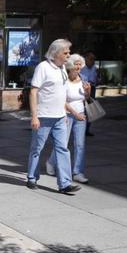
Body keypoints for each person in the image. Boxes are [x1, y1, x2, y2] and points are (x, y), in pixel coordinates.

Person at [26, 39, 80, 194]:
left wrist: (64, 113)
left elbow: (61, 94)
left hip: (60, 117)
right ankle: (31, 177)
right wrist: (34, 116)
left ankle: (64, 184)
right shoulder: (43, 67)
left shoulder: (62, 68)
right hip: (43, 117)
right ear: (56, 53)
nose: (69, 55)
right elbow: (33, 92)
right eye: (66, 52)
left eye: (69, 52)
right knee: (37, 148)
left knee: (63, 149)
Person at [46, 54, 90, 183]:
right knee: (62, 143)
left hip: (81, 115)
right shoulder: (63, 79)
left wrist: (87, 92)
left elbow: (87, 99)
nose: (78, 67)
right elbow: (62, 100)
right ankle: (51, 162)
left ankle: (77, 172)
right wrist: (74, 113)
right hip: (66, 115)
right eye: (75, 64)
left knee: (80, 145)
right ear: (70, 66)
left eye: (79, 64)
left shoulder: (84, 78)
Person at [79, 52, 98, 136]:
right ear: (86, 59)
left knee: (91, 110)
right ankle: (81, 129)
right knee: (83, 110)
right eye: (91, 59)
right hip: (83, 90)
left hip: (92, 89)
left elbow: (95, 78)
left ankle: (87, 129)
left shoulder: (94, 68)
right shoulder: (82, 68)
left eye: (94, 59)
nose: (93, 61)